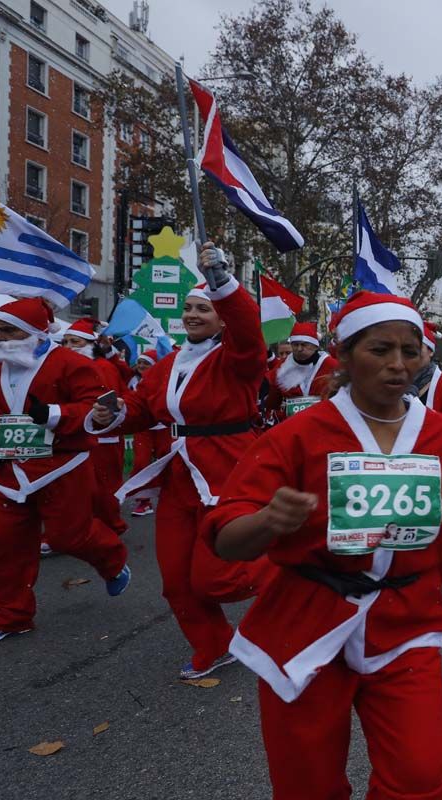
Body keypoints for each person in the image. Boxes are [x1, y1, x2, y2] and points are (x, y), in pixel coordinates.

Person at [200, 291, 442, 800]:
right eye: (380, 350)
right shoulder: (297, 435)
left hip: (406, 621)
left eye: (411, 351)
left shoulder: (441, 432)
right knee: (306, 785)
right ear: (343, 355)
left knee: (419, 778)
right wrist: (270, 520)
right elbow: (226, 538)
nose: (398, 365)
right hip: (306, 623)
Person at [87, 242, 275, 679]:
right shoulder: (168, 364)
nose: (192, 315)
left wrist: (222, 281)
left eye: (203, 309)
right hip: (179, 479)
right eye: (188, 308)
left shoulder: (237, 360)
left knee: (217, 579)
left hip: (228, 472)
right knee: (176, 581)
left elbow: (249, 333)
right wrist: (111, 413)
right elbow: (142, 407)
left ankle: (293, 562)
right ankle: (215, 645)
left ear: (221, 318)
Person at [0, 298, 131, 643]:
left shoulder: (70, 363)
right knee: (6, 544)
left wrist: (55, 414)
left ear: (32, 332)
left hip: (61, 465)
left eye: (8, 330)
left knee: (67, 537)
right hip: (9, 470)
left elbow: (96, 405)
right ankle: (12, 617)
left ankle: (113, 560)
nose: (1, 337)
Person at [60, 318, 130, 538]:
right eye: (65, 342)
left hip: (103, 438)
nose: (68, 346)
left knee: (104, 488)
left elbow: (110, 402)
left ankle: (111, 527)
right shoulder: (70, 367)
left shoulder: (103, 367)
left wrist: (103, 425)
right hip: (78, 436)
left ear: (90, 344)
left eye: (75, 341)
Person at [127, 349, 171, 517]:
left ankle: (170, 498)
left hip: (163, 428)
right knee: (141, 463)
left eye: (146, 363)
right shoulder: (132, 380)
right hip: (143, 429)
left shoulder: (164, 380)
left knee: (169, 464)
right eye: (140, 363)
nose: (141, 366)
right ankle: (144, 502)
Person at [264, 322, 338, 420]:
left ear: (315, 346)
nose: (299, 349)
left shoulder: (331, 365)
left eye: (304, 345)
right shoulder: (283, 367)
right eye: (295, 345)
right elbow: (273, 402)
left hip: (323, 423)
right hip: (292, 426)